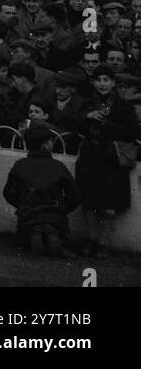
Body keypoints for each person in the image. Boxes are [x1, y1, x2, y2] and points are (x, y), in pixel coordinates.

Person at [74, 65, 140, 257]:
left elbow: (132, 132)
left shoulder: (123, 106)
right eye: (99, 80)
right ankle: (92, 240)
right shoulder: (87, 104)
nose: (102, 84)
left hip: (110, 159)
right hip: (90, 158)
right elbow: (74, 123)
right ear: (94, 82)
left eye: (106, 80)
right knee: (88, 202)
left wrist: (106, 125)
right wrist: (88, 117)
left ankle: (102, 242)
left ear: (112, 83)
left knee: (106, 205)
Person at [2, 123, 78, 257]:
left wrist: (22, 204)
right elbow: (74, 196)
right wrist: (62, 208)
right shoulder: (58, 166)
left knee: (26, 235)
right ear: (44, 145)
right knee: (59, 233)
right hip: (55, 214)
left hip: (28, 214)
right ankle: (52, 233)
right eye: (50, 140)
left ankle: (34, 232)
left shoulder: (20, 165)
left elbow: (8, 192)